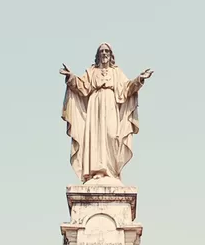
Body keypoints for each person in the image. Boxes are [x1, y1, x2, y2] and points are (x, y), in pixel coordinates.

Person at [60, 43, 154, 184]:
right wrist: (71, 77)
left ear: (111, 55)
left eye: (107, 51)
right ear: (98, 55)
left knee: (112, 135)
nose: (104, 53)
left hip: (111, 104)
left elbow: (127, 88)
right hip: (95, 105)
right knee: (96, 136)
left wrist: (139, 79)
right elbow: (81, 86)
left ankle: (112, 172)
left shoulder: (116, 72)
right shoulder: (92, 71)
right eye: (102, 51)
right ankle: (97, 171)